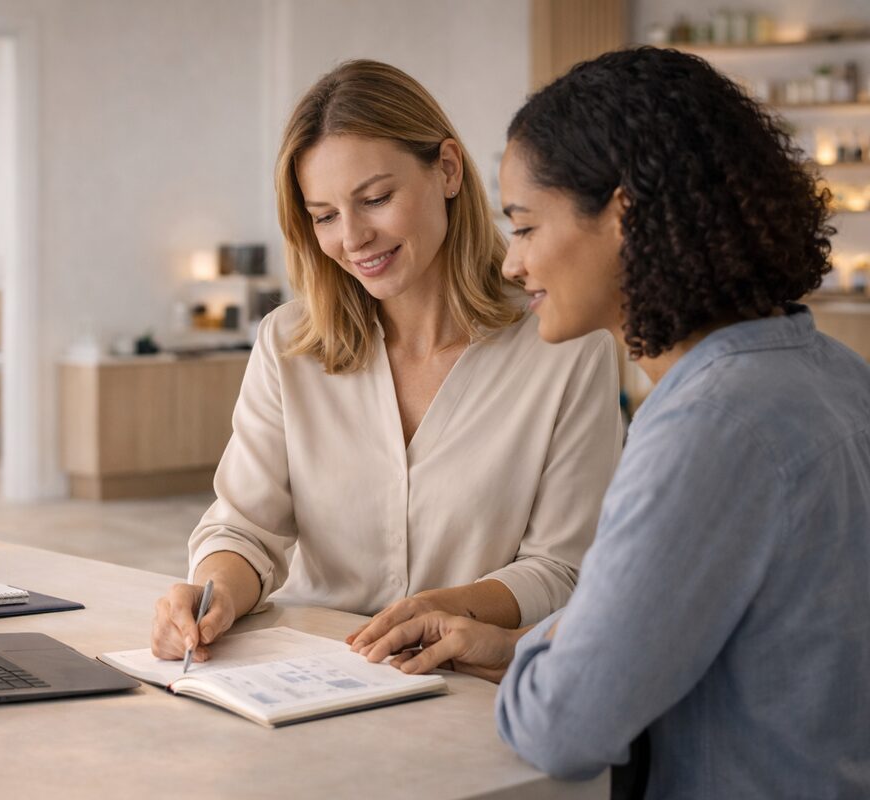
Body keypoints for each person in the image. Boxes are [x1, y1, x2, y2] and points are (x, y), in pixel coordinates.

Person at [358, 47, 870, 798]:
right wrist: (524, 641)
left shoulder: (706, 430)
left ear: (625, 217)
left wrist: (559, 645)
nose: (511, 263)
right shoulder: (833, 376)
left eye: (526, 227)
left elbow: (562, 728)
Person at [150, 59, 623, 663]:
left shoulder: (566, 344)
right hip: (312, 676)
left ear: (447, 170)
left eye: (375, 199)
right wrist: (211, 592)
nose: (352, 238)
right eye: (324, 216)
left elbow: (562, 566)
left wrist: (436, 611)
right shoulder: (287, 344)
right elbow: (245, 527)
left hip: (467, 684)